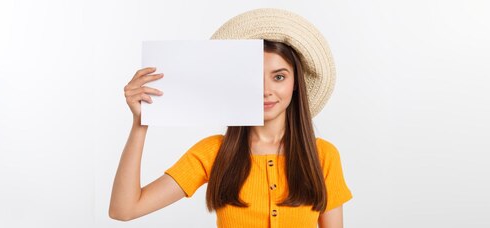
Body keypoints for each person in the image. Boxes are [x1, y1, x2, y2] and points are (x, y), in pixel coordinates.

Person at [109, 8, 352, 228]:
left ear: (296, 83)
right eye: (254, 76)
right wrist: (141, 124)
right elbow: (125, 209)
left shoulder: (323, 156)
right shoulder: (214, 152)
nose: (266, 90)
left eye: (279, 77)